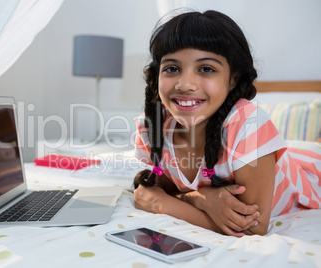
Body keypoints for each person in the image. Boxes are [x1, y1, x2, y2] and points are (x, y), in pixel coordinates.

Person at [133, 10, 321, 237]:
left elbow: (253, 227)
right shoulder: (152, 125)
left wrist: (160, 205)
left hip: (311, 172)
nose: (185, 84)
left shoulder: (248, 123)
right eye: (172, 68)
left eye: (206, 69)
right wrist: (198, 199)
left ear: (233, 79)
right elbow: (165, 188)